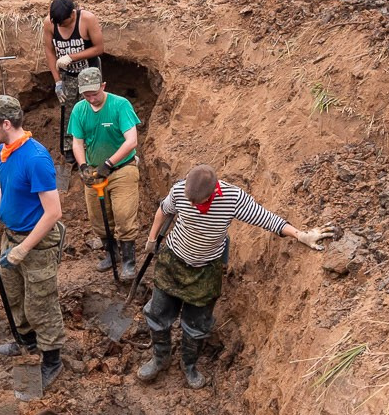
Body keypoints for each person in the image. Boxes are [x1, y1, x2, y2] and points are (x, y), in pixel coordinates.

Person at [138, 164, 332, 389]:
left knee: (197, 325)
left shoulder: (232, 198)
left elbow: (267, 219)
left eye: (197, 202)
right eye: (189, 200)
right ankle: (160, 358)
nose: (191, 205)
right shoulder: (180, 190)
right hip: (173, 262)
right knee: (157, 314)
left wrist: (300, 235)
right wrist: (152, 239)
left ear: (212, 192)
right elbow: (163, 210)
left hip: (205, 271)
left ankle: (189, 365)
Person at [0, 96, 65, 390]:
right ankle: (26, 340)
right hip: (11, 236)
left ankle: (52, 359)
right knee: (14, 295)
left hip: (37, 243)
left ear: (6, 124)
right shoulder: (4, 150)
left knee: (41, 303)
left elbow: (53, 212)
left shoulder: (36, 159)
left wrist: (23, 249)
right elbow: (5, 190)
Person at [66, 67, 142, 281]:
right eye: (86, 95)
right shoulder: (79, 109)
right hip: (95, 170)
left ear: (103, 86)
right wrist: (83, 166)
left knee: (124, 215)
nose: (91, 98)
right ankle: (112, 254)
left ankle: (128, 261)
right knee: (98, 217)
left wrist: (109, 163)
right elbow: (77, 143)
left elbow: (132, 141)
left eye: (94, 93)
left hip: (122, 168)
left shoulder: (120, 105)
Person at [44, 0, 103, 110]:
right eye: (58, 24)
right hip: (67, 75)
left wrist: (71, 57)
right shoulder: (50, 23)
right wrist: (58, 81)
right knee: (68, 111)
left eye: (63, 23)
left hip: (89, 73)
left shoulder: (87, 19)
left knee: (89, 108)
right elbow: (49, 51)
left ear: (72, 14)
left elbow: (99, 48)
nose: (60, 26)